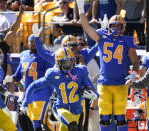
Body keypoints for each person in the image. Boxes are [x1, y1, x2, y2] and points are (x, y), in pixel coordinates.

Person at [75, 0, 140, 130]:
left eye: (118, 26)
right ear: (109, 26)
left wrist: (133, 74)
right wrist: (81, 10)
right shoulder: (101, 36)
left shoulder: (127, 40)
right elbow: (87, 27)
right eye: (113, 26)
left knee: (120, 118)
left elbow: (135, 61)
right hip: (104, 83)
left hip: (121, 83)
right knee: (104, 118)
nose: (115, 28)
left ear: (123, 27)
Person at [20, 47, 99, 131]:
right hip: (60, 108)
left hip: (76, 110)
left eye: (70, 62)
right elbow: (33, 86)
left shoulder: (80, 70)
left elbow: (90, 86)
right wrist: (24, 103)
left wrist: (94, 94)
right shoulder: (53, 74)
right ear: (58, 63)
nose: (68, 66)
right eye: (65, 63)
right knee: (73, 126)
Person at [3, 34, 53, 131]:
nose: (33, 44)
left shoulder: (45, 55)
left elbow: (50, 76)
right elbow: (18, 76)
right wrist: (10, 78)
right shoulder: (24, 55)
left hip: (41, 94)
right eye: (31, 41)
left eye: (35, 41)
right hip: (27, 95)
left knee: (36, 122)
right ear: (28, 42)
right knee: (24, 122)